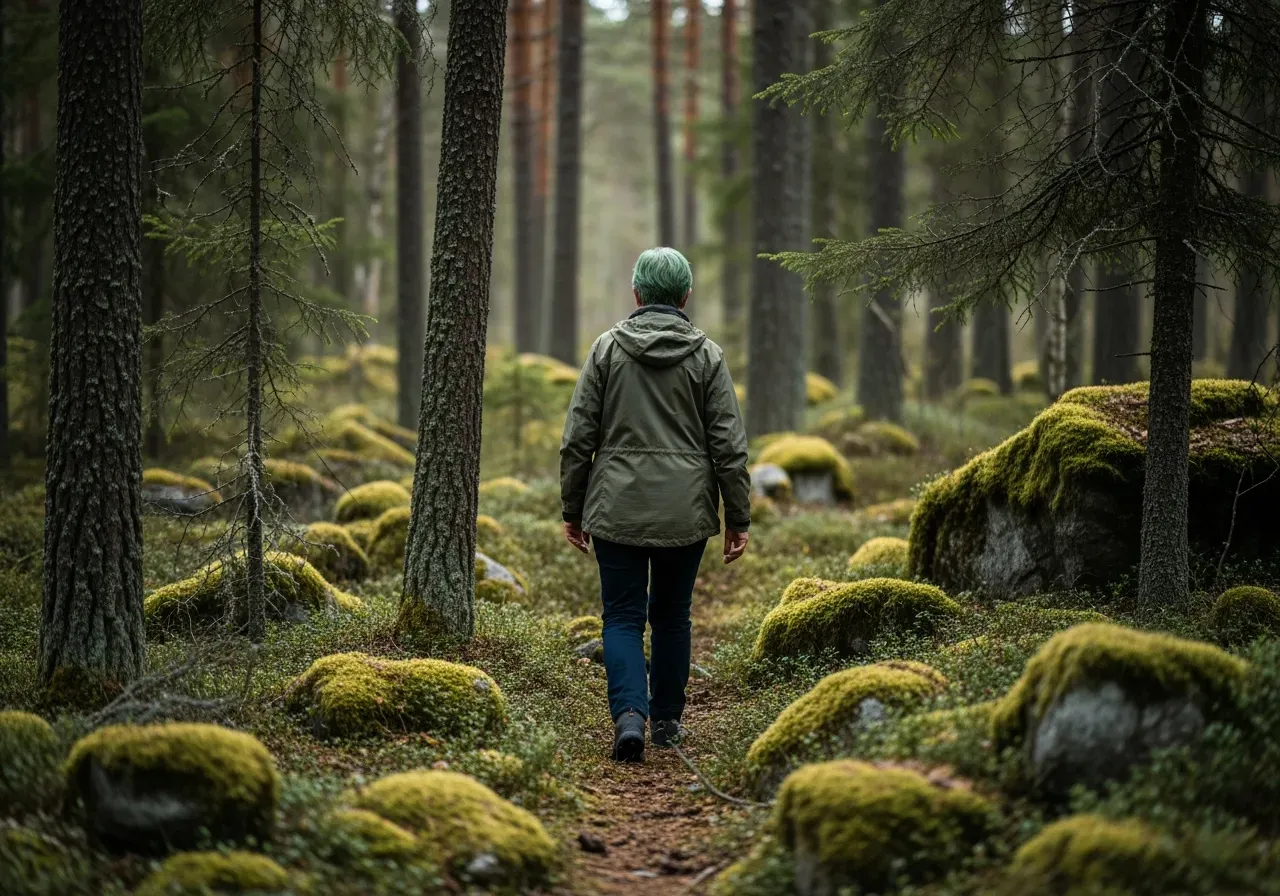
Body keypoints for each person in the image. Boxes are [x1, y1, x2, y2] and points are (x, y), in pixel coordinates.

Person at [560, 247, 751, 762]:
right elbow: (729, 447)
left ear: (637, 293)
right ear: (685, 296)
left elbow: (577, 440)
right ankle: (667, 720)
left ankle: (629, 716)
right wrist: (738, 517)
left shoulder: (606, 350)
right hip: (685, 512)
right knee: (672, 616)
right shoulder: (707, 356)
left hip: (616, 508)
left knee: (622, 617)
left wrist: (572, 509)